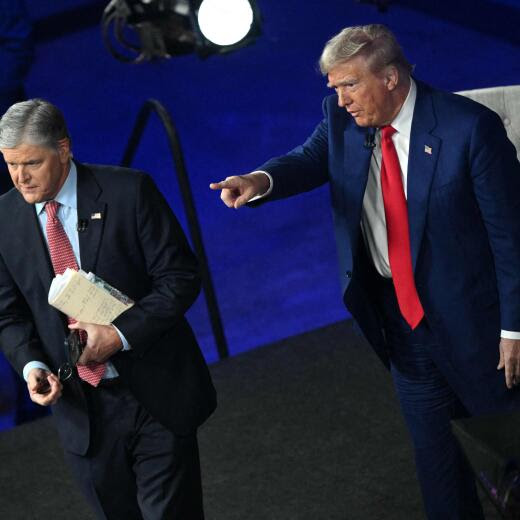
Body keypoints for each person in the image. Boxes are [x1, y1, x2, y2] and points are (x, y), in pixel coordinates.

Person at [210, 24, 520, 519]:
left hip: (477, 330)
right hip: (402, 328)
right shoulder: (342, 121)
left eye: (350, 84)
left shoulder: (469, 129)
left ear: (392, 77)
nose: (341, 99)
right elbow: (309, 159)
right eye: (334, 87)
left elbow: (511, 237)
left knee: (507, 455)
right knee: (439, 471)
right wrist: (260, 179)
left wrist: (515, 328)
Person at [0, 99, 216, 519]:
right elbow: (7, 314)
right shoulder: (4, 218)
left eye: (31, 163)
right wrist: (31, 366)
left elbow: (181, 278)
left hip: (154, 395)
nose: (20, 178)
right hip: (83, 413)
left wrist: (118, 335)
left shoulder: (129, 192)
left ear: (63, 149)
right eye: (9, 164)